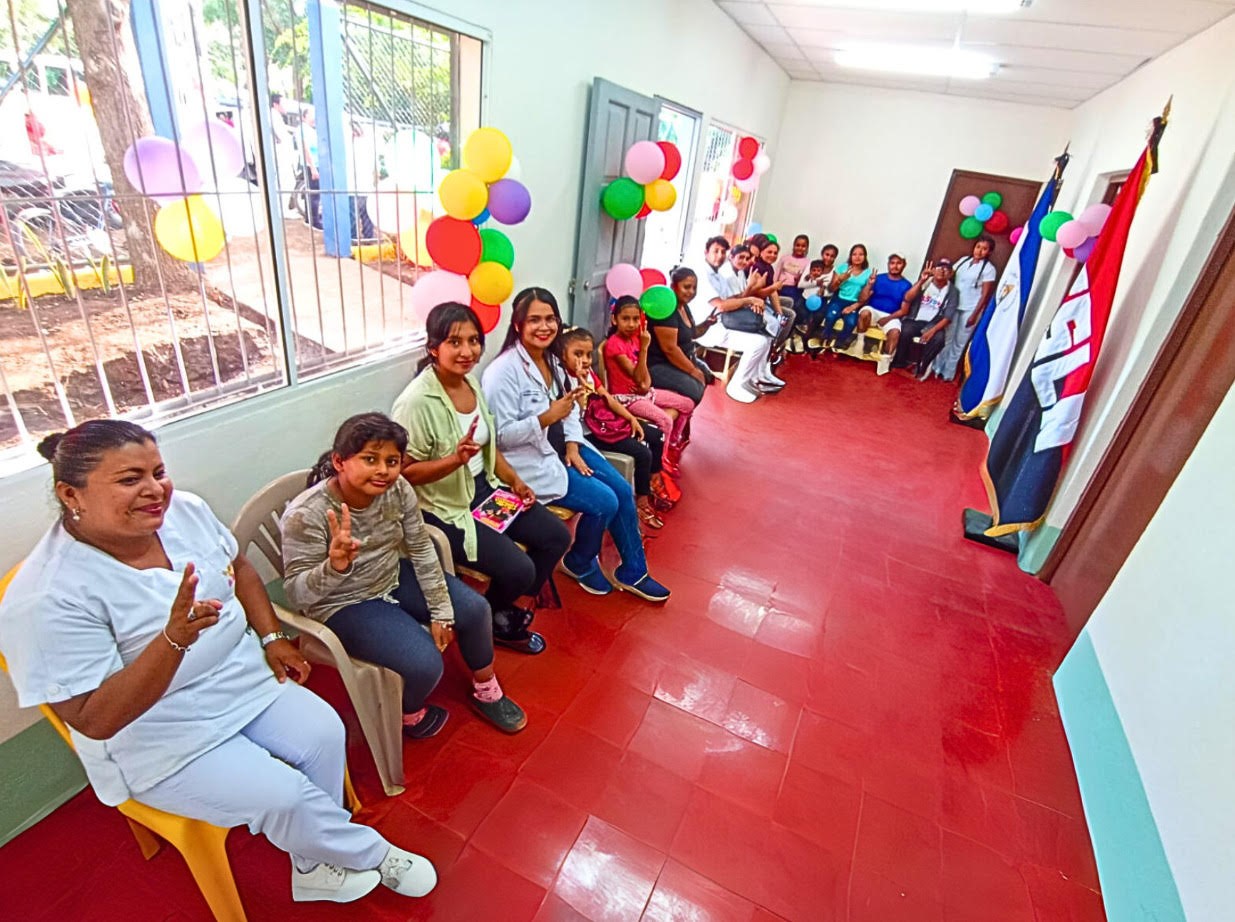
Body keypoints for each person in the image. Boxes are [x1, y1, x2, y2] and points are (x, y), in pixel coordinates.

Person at [0, 421, 437, 905]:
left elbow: (241, 567)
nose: (154, 490)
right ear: (71, 494)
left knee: (324, 732)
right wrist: (172, 640)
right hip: (158, 732)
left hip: (239, 678)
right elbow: (93, 719)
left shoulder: (183, 511)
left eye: (158, 471)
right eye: (129, 479)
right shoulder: (45, 597)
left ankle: (313, 863)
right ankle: (369, 854)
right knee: (283, 795)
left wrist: (272, 636)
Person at [282, 413, 527, 736]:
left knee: (475, 609)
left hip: (391, 575)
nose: (383, 470)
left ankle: (487, 689)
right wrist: (333, 568)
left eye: (392, 461)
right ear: (340, 462)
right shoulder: (305, 515)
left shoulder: (398, 489)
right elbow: (296, 596)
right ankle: (407, 712)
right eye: (370, 459)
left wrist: (440, 609)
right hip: (342, 602)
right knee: (425, 664)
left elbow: (422, 548)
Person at [392, 302, 571, 656]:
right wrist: (452, 460)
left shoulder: (471, 382)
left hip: (484, 488)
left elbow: (487, 447)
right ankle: (491, 618)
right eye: (454, 342)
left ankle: (499, 610)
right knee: (519, 570)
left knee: (555, 537)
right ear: (433, 347)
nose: (467, 351)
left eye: (474, 341)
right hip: (443, 508)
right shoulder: (416, 402)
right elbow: (404, 474)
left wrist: (513, 480)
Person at [481, 287, 671, 601]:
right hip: (527, 462)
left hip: (564, 448)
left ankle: (634, 571)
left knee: (623, 490)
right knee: (605, 501)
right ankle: (580, 560)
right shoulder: (501, 373)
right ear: (517, 325)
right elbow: (498, 439)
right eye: (534, 320)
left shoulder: (553, 362)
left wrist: (571, 443)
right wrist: (544, 419)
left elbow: (569, 409)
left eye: (550, 319)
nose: (544, 327)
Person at [559, 326, 666, 529]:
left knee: (656, 435)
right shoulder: (564, 379)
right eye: (577, 354)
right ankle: (642, 502)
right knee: (643, 454)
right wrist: (580, 390)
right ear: (563, 356)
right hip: (589, 432)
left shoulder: (589, 373)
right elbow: (574, 415)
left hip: (603, 421)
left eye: (588, 355)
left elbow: (607, 398)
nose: (585, 360)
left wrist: (631, 418)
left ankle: (653, 482)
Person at [603, 295, 696, 470]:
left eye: (635, 319)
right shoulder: (614, 345)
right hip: (626, 399)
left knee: (687, 404)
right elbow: (638, 377)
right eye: (625, 319)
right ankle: (661, 463)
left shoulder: (636, 338)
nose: (631, 324)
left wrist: (645, 385)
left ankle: (672, 445)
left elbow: (645, 379)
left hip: (643, 392)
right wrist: (645, 348)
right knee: (665, 421)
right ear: (614, 319)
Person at [691, 238, 779, 402]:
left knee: (766, 337)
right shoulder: (702, 275)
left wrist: (749, 293)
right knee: (758, 342)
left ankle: (756, 376)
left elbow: (733, 298)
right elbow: (722, 305)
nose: (719, 256)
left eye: (722, 252)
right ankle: (736, 385)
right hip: (706, 328)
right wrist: (749, 300)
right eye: (715, 251)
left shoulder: (718, 275)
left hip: (722, 321)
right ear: (706, 253)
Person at [645, 264, 720, 406]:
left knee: (708, 377)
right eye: (686, 287)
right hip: (658, 364)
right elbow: (670, 349)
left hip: (684, 357)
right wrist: (692, 371)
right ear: (673, 286)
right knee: (696, 389)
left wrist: (707, 324)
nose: (691, 292)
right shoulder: (666, 311)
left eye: (694, 288)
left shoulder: (683, 306)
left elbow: (692, 334)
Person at [930, 235, 997, 381]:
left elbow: (985, 295)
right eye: (978, 247)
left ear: (989, 252)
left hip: (971, 309)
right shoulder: (963, 261)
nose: (979, 251)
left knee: (959, 343)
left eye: (984, 249)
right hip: (954, 306)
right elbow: (949, 276)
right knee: (947, 339)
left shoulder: (989, 269)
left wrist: (975, 315)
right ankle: (937, 368)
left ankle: (948, 373)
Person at [890, 260, 958, 376]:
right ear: (933, 270)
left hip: (933, 324)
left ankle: (921, 366)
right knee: (905, 331)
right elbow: (907, 298)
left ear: (950, 274)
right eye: (939, 267)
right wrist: (922, 281)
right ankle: (899, 362)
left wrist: (932, 331)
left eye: (946, 269)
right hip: (914, 320)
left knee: (939, 339)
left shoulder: (952, 291)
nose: (942, 271)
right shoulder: (926, 283)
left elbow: (948, 317)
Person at [856, 254, 914, 359]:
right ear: (888, 265)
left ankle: (885, 360)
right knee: (864, 313)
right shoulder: (878, 278)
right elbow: (862, 299)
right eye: (892, 263)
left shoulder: (907, 285)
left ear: (904, 265)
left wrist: (887, 319)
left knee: (895, 332)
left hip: (892, 316)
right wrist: (869, 285)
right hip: (873, 311)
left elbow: (904, 311)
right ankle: (860, 344)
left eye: (899, 263)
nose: (895, 266)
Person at [821, 244, 874, 351]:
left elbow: (866, 296)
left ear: (865, 257)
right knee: (830, 316)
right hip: (838, 299)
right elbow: (831, 289)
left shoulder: (868, 273)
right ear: (850, 256)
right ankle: (825, 338)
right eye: (854, 254)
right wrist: (840, 279)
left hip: (855, 302)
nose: (857, 257)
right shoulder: (842, 267)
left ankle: (839, 342)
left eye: (861, 254)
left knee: (850, 322)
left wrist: (853, 307)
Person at [802, 244, 840, 356]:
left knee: (819, 315)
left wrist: (824, 292)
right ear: (822, 254)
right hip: (807, 296)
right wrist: (813, 283)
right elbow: (802, 283)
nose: (828, 258)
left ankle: (807, 338)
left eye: (832, 256)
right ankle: (799, 337)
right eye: (827, 254)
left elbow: (831, 290)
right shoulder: (813, 265)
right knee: (801, 311)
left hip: (821, 299)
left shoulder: (834, 271)